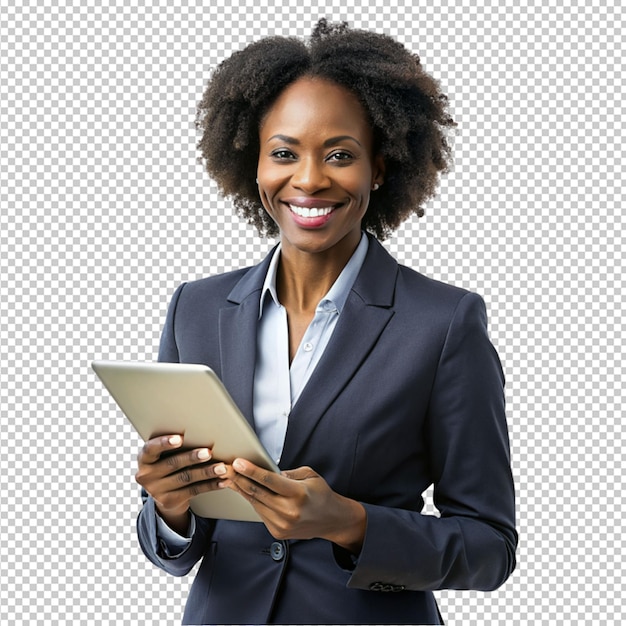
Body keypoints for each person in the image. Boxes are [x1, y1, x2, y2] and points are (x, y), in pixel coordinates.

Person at [134, 19, 517, 625]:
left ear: (381, 168)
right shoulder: (196, 310)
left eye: (340, 155)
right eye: (283, 153)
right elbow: (178, 549)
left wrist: (349, 522)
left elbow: (490, 548)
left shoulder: (444, 323)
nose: (309, 179)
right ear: (253, 165)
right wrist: (171, 508)